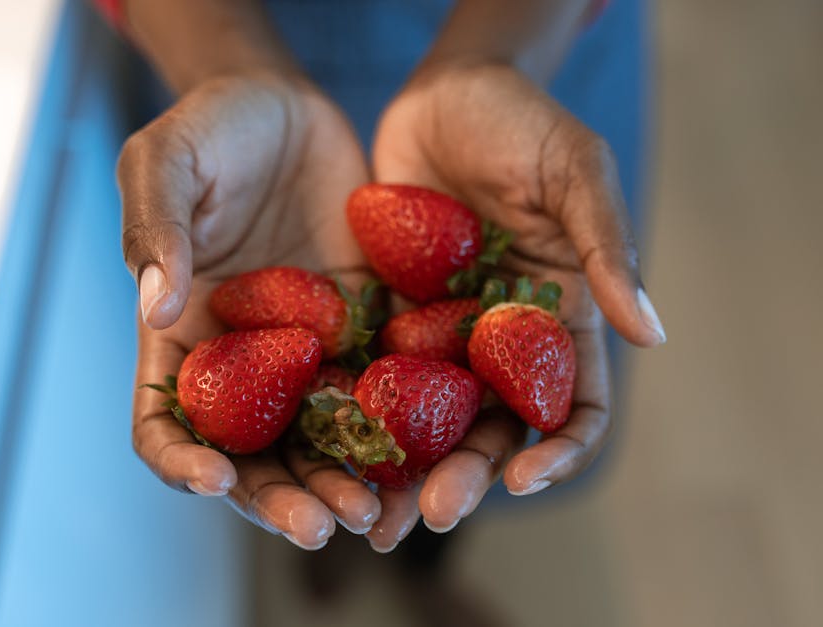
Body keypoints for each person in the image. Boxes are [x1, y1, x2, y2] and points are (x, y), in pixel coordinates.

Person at [101, 0, 667, 553]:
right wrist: (229, 70)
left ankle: (425, 567)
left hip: (528, 32)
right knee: (326, 480)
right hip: (207, 33)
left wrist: (491, 60)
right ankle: (341, 555)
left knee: (468, 468)